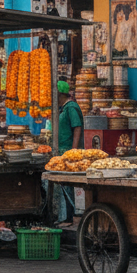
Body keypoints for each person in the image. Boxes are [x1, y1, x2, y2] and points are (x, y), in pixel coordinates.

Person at [55, 81, 83, 224]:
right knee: (64, 184)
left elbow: (77, 127)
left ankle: (69, 215)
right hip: (62, 152)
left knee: (67, 184)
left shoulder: (71, 107)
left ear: (60, 95)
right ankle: (65, 215)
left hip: (69, 151)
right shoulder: (62, 109)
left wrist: (74, 150)